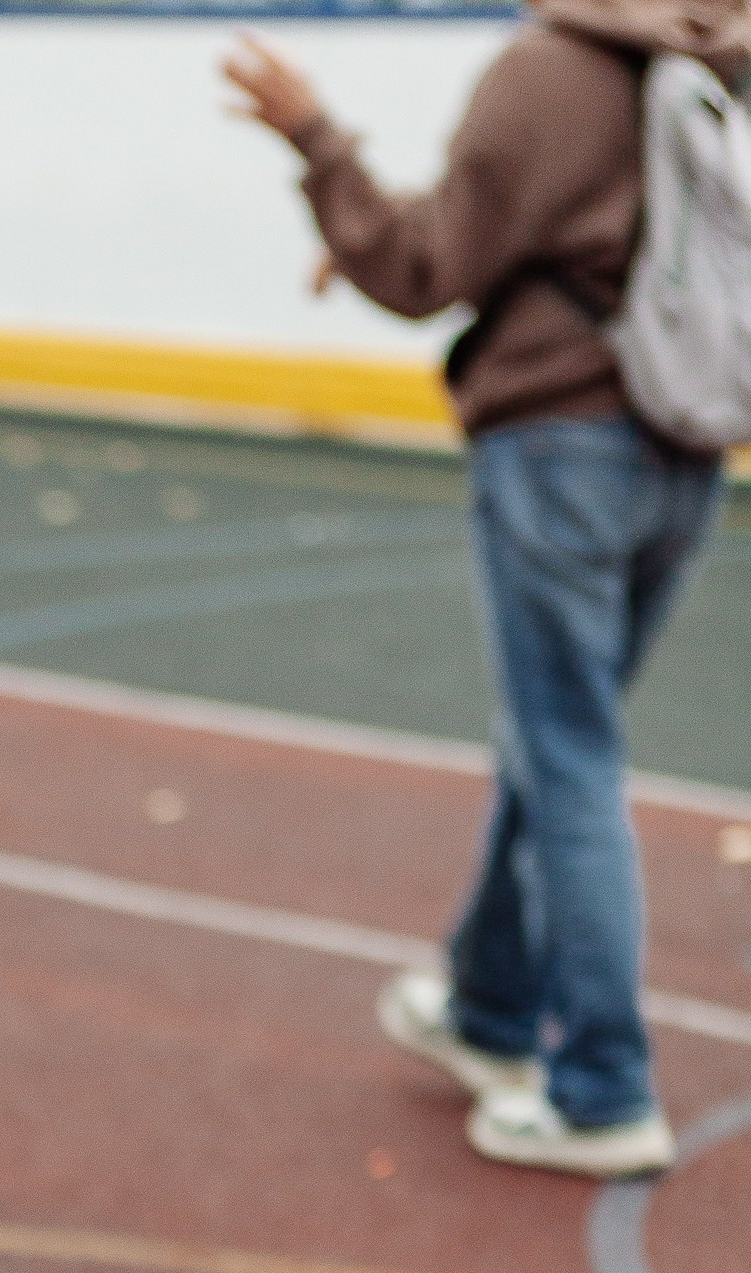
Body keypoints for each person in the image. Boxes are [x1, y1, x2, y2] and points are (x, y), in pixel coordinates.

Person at [227, 0, 751, 1177]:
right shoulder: (712, 66)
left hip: (565, 444)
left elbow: (424, 265)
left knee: (565, 753)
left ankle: (603, 1085)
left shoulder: (548, 68)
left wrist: (314, 138)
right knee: (554, 738)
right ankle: (488, 1008)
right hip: (683, 453)